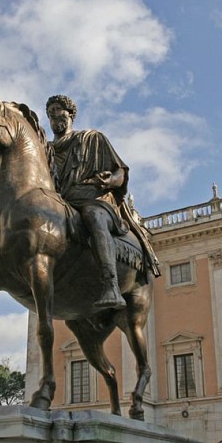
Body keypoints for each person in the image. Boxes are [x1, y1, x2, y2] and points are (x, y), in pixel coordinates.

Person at [46, 94, 159, 311]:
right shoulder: (46, 149)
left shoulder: (93, 138)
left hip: (94, 200)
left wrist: (110, 180)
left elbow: (120, 172)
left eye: (57, 110)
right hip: (62, 203)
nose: (52, 115)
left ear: (70, 114)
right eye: (49, 113)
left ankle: (111, 285)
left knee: (92, 216)